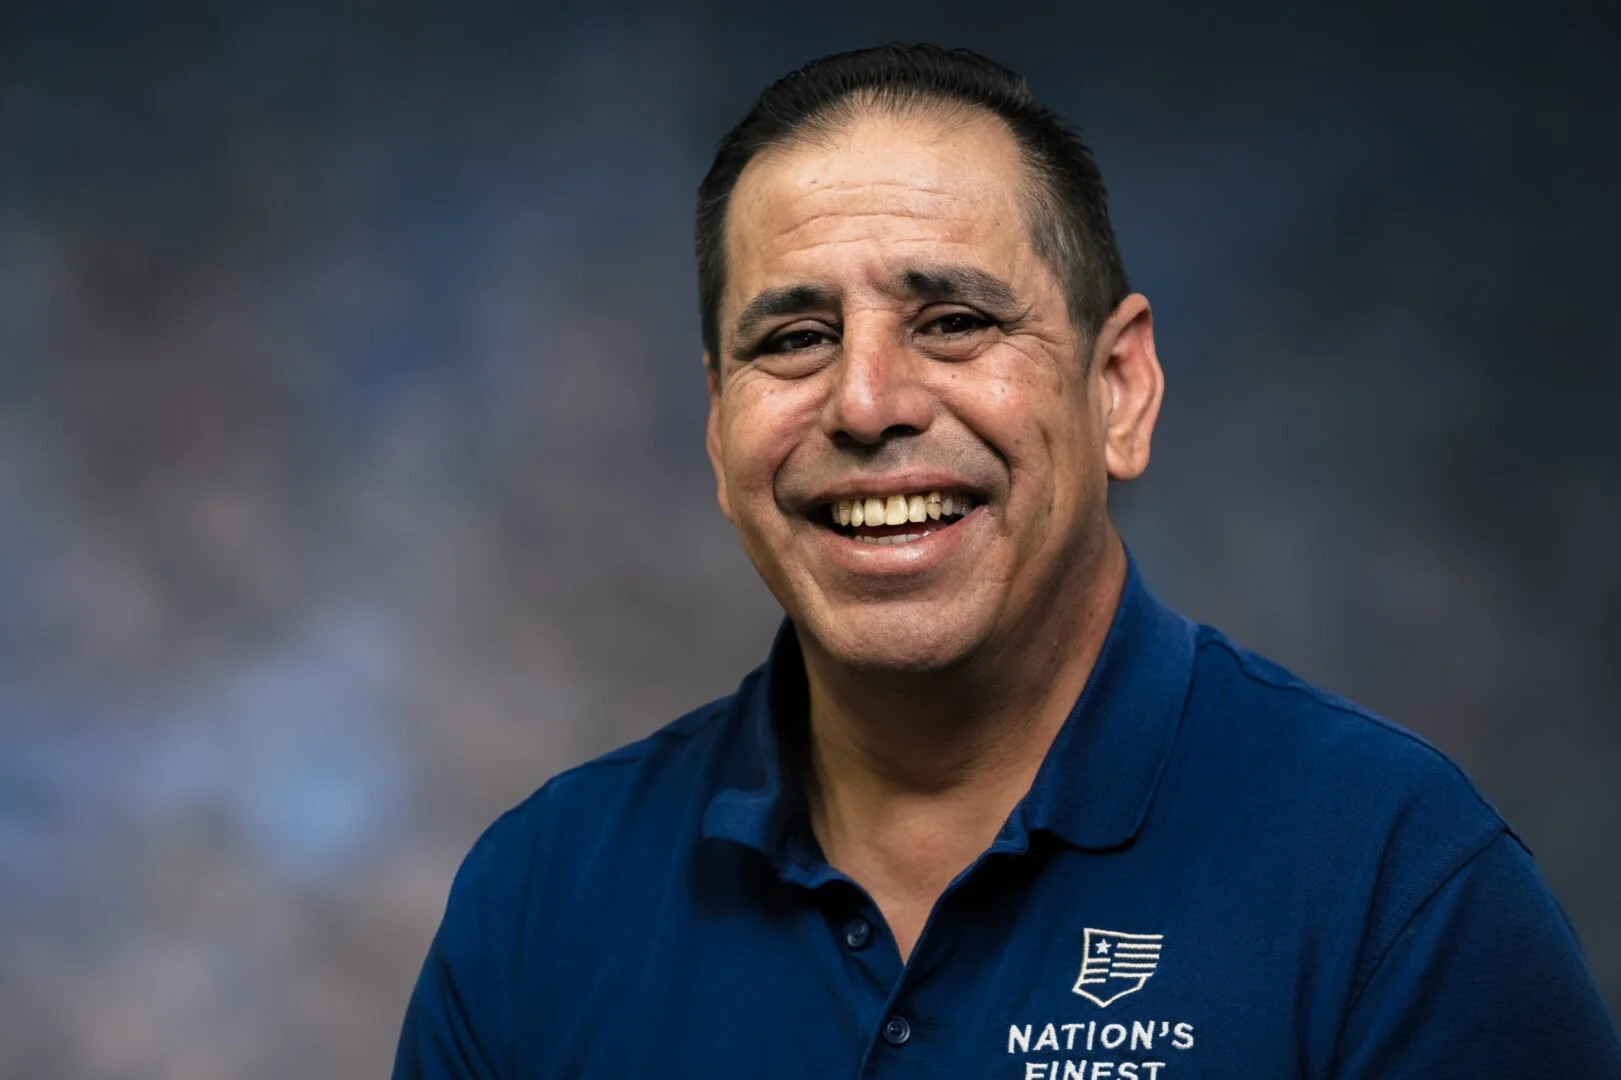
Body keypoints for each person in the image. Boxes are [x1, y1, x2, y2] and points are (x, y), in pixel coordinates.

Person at [393, 44, 1621, 1078]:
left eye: (956, 321)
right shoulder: (539, 902)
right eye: (798, 337)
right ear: (718, 430)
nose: (867, 402)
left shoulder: (1390, 885)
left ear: (1118, 390)